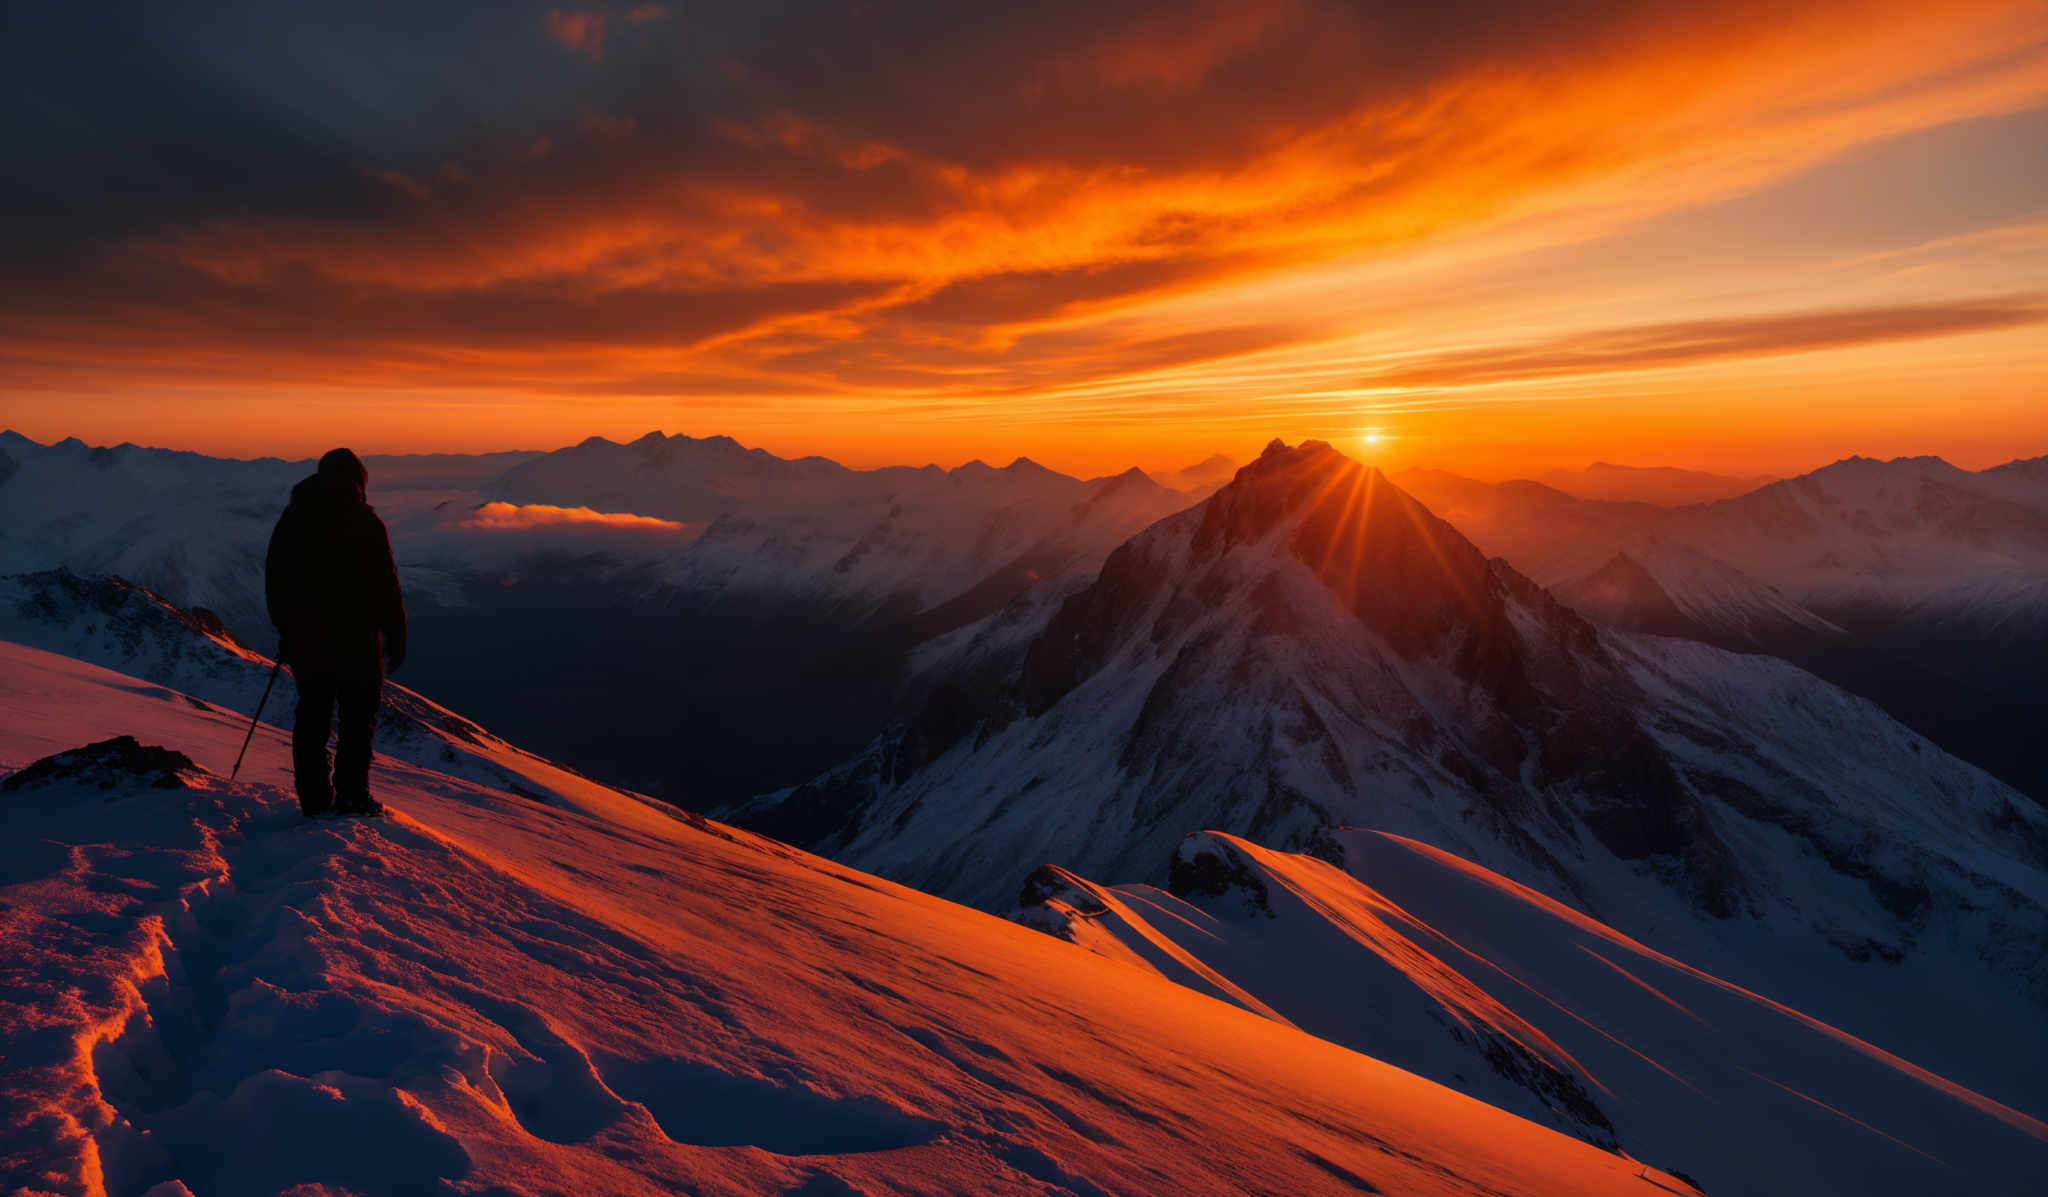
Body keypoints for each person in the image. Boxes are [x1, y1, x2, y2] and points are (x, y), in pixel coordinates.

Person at [265, 448, 407, 817]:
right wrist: (396, 633)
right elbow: (385, 584)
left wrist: (287, 629)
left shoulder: (295, 519)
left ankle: (313, 798)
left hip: (309, 641)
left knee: (313, 715)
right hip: (358, 639)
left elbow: (276, 581)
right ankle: (351, 793)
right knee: (358, 719)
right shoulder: (365, 522)